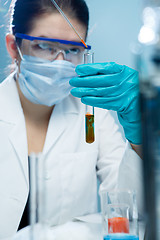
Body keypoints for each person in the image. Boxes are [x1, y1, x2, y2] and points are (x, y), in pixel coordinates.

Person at [0, 0, 143, 238]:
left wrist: (141, 138)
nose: (59, 63)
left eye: (73, 50)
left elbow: (127, 207)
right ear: (14, 47)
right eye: (44, 45)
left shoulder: (93, 113)